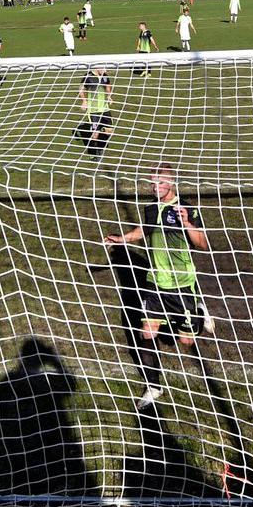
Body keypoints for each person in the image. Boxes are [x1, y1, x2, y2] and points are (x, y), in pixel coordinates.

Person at [103, 162, 212, 407]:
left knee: (185, 341)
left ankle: (199, 310)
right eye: (152, 182)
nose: (155, 187)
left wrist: (188, 225)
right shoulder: (151, 208)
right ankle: (154, 386)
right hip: (156, 284)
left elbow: (203, 244)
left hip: (182, 284)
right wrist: (122, 239)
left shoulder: (186, 208)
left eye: (160, 182)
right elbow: (146, 229)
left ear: (171, 182)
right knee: (146, 333)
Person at [78, 65, 115, 156]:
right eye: (103, 68)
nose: (105, 70)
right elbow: (81, 89)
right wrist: (84, 101)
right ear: (97, 67)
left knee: (109, 131)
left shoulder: (104, 76)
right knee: (95, 135)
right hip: (94, 110)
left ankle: (100, 138)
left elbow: (107, 86)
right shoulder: (88, 76)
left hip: (105, 109)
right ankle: (94, 153)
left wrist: (109, 96)